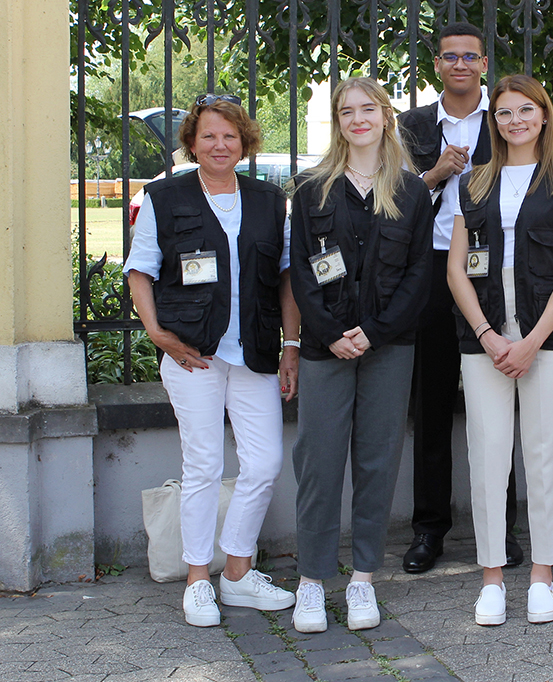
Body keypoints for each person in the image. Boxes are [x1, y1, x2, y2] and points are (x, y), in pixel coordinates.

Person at [125, 93, 299, 627]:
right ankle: (199, 577)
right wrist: (158, 334)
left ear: (244, 142)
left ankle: (239, 573)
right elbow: (140, 270)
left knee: (265, 462)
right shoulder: (164, 195)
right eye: (208, 136)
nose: (219, 145)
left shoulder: (270, 200)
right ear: (192, 143)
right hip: (191, 354)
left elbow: (287, 277)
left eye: (229, 136)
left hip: (253, 352)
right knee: (202, 466)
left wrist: (291, 345)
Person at [288, 77, 434, 633]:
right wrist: (328, 334)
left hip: (388, 346)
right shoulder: (311, 190)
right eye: (346, 111)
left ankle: (363, 578)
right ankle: (311, 579)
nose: (357, 119)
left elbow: (420, 275)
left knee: (377, 462)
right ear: (337, 121)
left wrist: (372, 332)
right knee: (319, 464)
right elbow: (301, 269)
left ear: (385, 116)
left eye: (367, 109)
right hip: (328, 349)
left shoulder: (411, 190)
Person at [447, 74, 553, 626]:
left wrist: (532, 341)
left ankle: (541, 575)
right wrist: (486, 333)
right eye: (505, 113)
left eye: (526, 110)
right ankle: (490, 579)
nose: (515, 121)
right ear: (494, 121)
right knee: (487, 454)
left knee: (543, 453)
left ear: (545, 115)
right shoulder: (473, 183)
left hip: (546, 335)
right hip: (483, 332)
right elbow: (456, 268)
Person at [398, 22, 523, 574]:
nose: (460, 65)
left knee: (499, 398)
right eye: (450, 57)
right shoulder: (411, 125)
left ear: (483, 65)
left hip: (491, 266)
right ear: (438, 66)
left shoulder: (505, 119)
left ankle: (503, 529)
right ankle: (430, 530)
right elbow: (392, 201)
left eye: (470, 56)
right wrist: (435, 174)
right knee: (430, 405)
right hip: (429, 266)